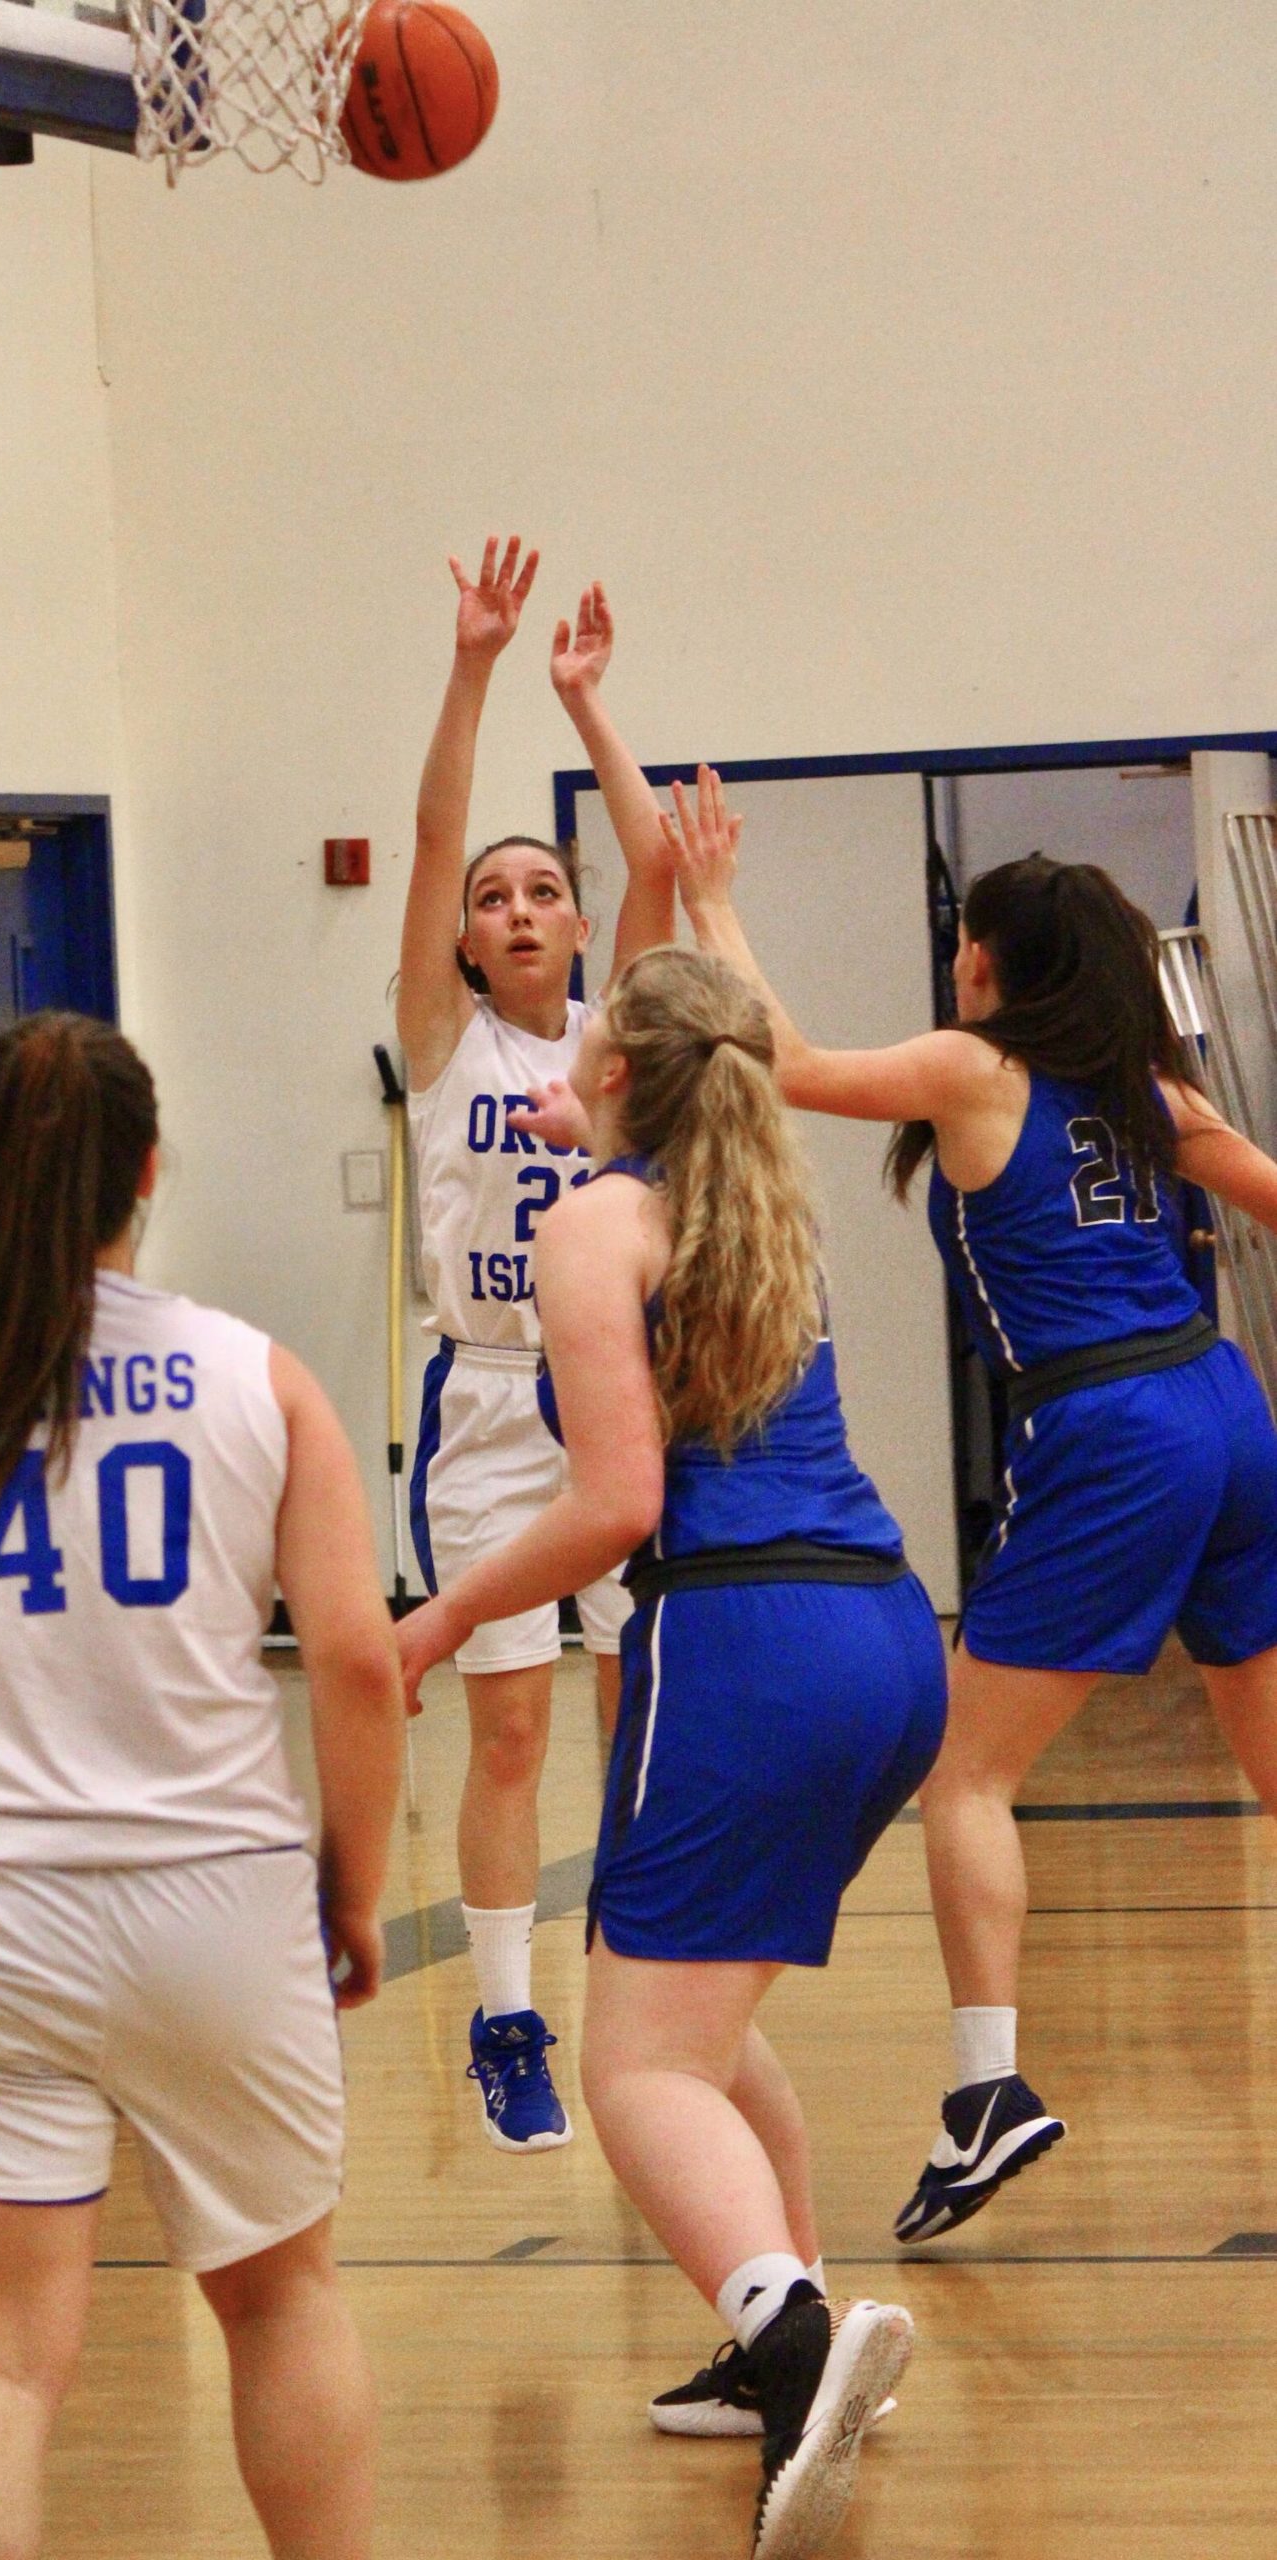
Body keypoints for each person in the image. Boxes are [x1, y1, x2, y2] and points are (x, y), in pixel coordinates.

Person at [0, 1010, 405, 2560]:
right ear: (148, 1173)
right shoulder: (258, 1378)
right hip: (217, 1898)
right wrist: (352, 1889)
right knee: (278, 2304)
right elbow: (362, 1670)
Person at [664, 768, 1277, 2245]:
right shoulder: (1153, 1092)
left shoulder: (972, 1068)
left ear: (990, 963)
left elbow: (788, 1059)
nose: (953, 961)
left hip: (1114, 1425)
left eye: (964, 944)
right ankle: (983, 2096)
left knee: (964, 1775)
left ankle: (986, 2091)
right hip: (1225, 1403)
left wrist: (713, 901)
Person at [400, 946, 937, 2559]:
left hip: (747, 1644)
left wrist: (436, 1619)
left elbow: (616, 1504)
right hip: (887, 1634)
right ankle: (807, 2323)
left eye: (581, 1043)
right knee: (684, 2004)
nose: (557, 1060)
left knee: (629, 2066)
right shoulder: (756, 1202)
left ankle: (785, 2333)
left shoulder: (592, 1224)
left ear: (623, 1074)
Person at [399, 539, 673, 2150]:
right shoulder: (448, 1039)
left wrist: (586, 701)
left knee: (635, 1703)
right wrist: (476, 665)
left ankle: (621, 1964)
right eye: (490, 897)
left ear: (575, 925)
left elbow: (648, 856)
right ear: (463, 937)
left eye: (537, 889)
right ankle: (503, 2015)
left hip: (618, 1395)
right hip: (494, 1400)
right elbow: (433, 830)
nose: (511, 906)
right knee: (510, 1724)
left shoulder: (614, 1031)